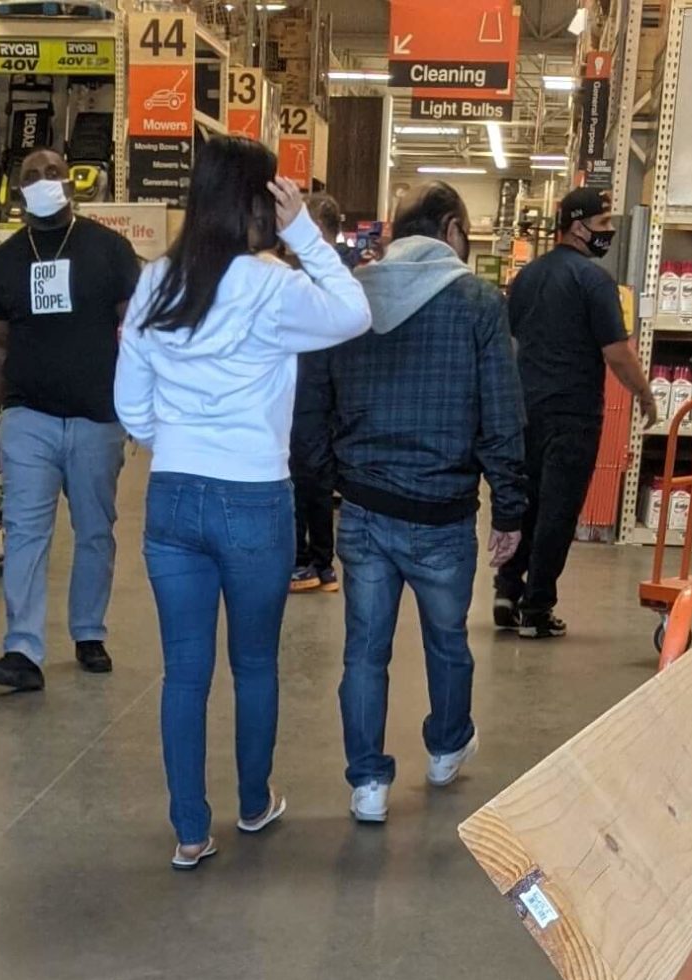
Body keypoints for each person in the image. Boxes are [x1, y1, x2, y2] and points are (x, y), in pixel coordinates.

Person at [115, 138, 369, 871]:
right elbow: (353, 313)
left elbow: (131, 406)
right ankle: (254, 802)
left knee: (184, 671)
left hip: (172, 498)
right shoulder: (271, 286)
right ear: (260, 202)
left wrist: (181, 443)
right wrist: (304, 235)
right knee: (255, 663)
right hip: (256, 499)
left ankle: (190, 831)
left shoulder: (157, 284)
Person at [293, 181, 526, 824]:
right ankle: (446, 747)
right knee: (447, 640)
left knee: (365, 650)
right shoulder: (478, 304)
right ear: (451, 229)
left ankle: (367, 783)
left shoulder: (351, 298)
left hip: (363, 509)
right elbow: (501, 414)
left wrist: (324, 481)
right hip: (443, 511)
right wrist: (510, 507)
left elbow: (310, 405)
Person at [0, 147, 141, 694]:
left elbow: (138, 336)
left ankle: (89, 632)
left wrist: (142, 408)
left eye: (52, 173)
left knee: (95, 530)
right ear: (17, 189)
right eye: (30, 175)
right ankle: (22, 649)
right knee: (25, 531)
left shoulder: (110, 250)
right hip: (28, 418)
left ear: (71, 181)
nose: (43, 181)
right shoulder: (6, 260)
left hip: (98, 419)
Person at [495, 186, 655, 640]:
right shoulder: (594, 281)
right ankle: (537, 609)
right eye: (602, 225)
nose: (607, 233)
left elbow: (510, 342)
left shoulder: (525, 279)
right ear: (578, 226)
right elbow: (618, 353)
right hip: (574, 414)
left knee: (524, 505)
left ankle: (506, 592)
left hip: (524, 410)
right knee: (558, 513)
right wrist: (644, 394)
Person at [290, 194, 344, 595]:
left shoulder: (332, 276)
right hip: (304, 390)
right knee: (307, 479)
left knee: (310, 480)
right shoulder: (293, 272)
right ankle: (312, 560)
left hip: (316, 391)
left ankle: (315, 561)